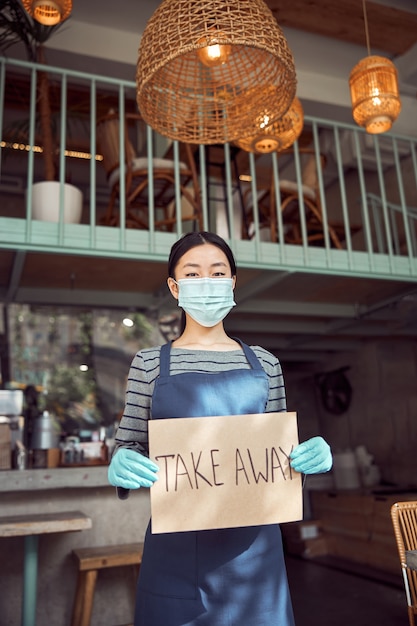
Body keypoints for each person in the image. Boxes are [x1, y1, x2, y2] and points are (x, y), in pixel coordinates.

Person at [108, 231, 332, 626]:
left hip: (255, 556)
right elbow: (130, 445)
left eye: (217, 272)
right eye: (193, 274)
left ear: (231, 282)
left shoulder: (266, 364)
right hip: (176, 552)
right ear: (175, 287)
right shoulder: (148, 364)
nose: (206, 282)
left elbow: (278, 462)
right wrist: (122, 462)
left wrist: (307, 460)